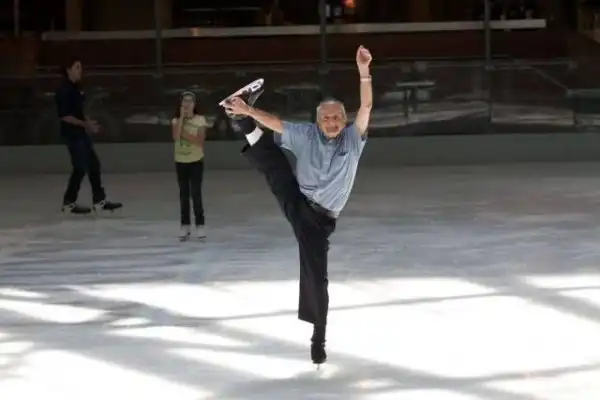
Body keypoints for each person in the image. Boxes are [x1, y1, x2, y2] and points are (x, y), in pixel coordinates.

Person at [222, 45, 373, 365]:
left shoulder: (353, 139)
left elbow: (367, 105)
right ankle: (240, 117)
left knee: (316, 275)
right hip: (299, 200)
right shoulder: (305, 134)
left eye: (336, 117)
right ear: (317, 121)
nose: (331, 121)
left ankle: (318, 334)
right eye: (325, 118)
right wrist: (250, 112)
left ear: (344, 120)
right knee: (274, 164)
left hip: (317, 220)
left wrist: (364, 72)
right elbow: (276, 123)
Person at [55, 58, 122, 214]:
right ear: (68, 70)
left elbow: (77, 112)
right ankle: (68, 202)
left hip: (80, 133)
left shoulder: (76, 88)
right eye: (77, 67)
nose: (80, 70)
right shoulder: (63, 90)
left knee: (93, 164)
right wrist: (85, 124)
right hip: (71, 135)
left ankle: (99, 200)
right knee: (80, 167)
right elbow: (65, 116)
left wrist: (87, 122)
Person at [171, 91, 208, 239]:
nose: (187, 104)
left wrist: (183, 133)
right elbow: (175, 136)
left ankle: (200, 225)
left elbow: (200, 141)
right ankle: (185, 225)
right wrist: (181, 118)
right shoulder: (176, 120)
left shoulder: (200, 120)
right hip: (180, 161)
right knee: (184, 195)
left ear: (194, 104)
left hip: (196, 161)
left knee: (196, 194)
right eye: (184, 101)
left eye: (190, 101)